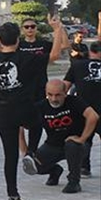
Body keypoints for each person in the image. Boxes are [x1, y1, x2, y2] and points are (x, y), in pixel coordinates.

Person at [0, 22, 42, 200]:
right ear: (19, 39)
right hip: (24, 106)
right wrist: (57, 30)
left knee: (10, 155)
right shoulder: (27, 58)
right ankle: (31, 151)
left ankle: (12, 196)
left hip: (4, 110)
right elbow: (54, 55)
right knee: (37, 124)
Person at [23, 80, 98, 193]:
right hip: (53, 145)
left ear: (65, 92)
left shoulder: (75, 102)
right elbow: (20, 126)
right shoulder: (40, 106)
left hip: (76, 145)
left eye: (58, 95)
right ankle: (55, 171)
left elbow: (93, 116)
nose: (54, 99)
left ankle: (74, 182)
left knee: (72, 145)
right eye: (50, 94)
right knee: (32, 166)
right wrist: (26, 152)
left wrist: (82, 138)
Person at [17, 16, 68, 153]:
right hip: (22, 87)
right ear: (22, 30)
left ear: (36, 28)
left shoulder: (43, 44)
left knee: (37, 120)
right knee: (18, 121)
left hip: (40, 86)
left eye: (32, 26)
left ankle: (32, 151)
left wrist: (59, 28)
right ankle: (24, 149)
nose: (30, 29)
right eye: (26, 27)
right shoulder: (19, 45)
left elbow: (63, 46)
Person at [63, 41, 101, 177]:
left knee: (84, 139)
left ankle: (84, 167)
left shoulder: (77, 65)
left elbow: (65, 87)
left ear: (91, 52)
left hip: (84, 109)